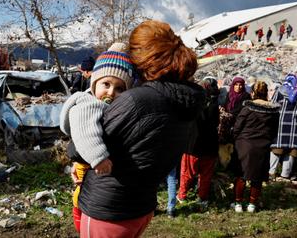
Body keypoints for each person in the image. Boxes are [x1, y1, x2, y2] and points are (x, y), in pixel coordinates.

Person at [74, 20, 205, 237]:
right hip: (142, 206)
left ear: (144, 58)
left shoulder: (137, 100)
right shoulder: (187, 100)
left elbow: (80, 148)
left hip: (109, 208)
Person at [60, 43, 135, 233]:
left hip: (91, 167)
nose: (111, 92)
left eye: (119, 88)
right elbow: (86, 131)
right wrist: (98, 157)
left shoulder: (105, 105)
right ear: (94, 84)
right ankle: (81, 224)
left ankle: (81, 224)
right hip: (92, 162)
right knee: (80, 197)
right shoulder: (89, 104)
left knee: (80, 194)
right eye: (106, 84)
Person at [232, 81, 280, 213]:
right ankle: (252, 204)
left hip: (244, 145)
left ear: (253, 93)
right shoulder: (274, 111)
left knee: (241, 174)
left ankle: (238, 204)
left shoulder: (247, 108)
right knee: (257, 176)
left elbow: (237, 127)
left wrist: (236, 139)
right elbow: (275, 130)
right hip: (263, 146)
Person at [177, 77, 220, 210]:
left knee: (187, 173)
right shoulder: (214, 106)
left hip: (193, 145)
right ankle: (202, 197)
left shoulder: (193, 105)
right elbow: (216, 124)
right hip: (210, 145)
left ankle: (182, 195)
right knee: (206, 175)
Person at [269, 74, 297, 181]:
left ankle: (271, 172)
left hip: (282, 122)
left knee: (277, 148)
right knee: (292, 150)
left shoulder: (280, 91)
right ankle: (285, 175)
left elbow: (273, 105)